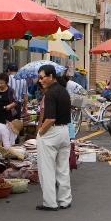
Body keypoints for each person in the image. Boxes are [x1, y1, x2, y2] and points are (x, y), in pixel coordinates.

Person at [35, 63, 73, 211]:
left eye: (42, 77)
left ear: (50, 76)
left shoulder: (50, 93)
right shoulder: (64, 91)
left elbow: (50, 119)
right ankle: (65, 200)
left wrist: (40, 132)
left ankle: (50, 202)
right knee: (63, 168)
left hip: (51, 133)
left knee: (47, 169)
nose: (40, 80)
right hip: (65, 132)